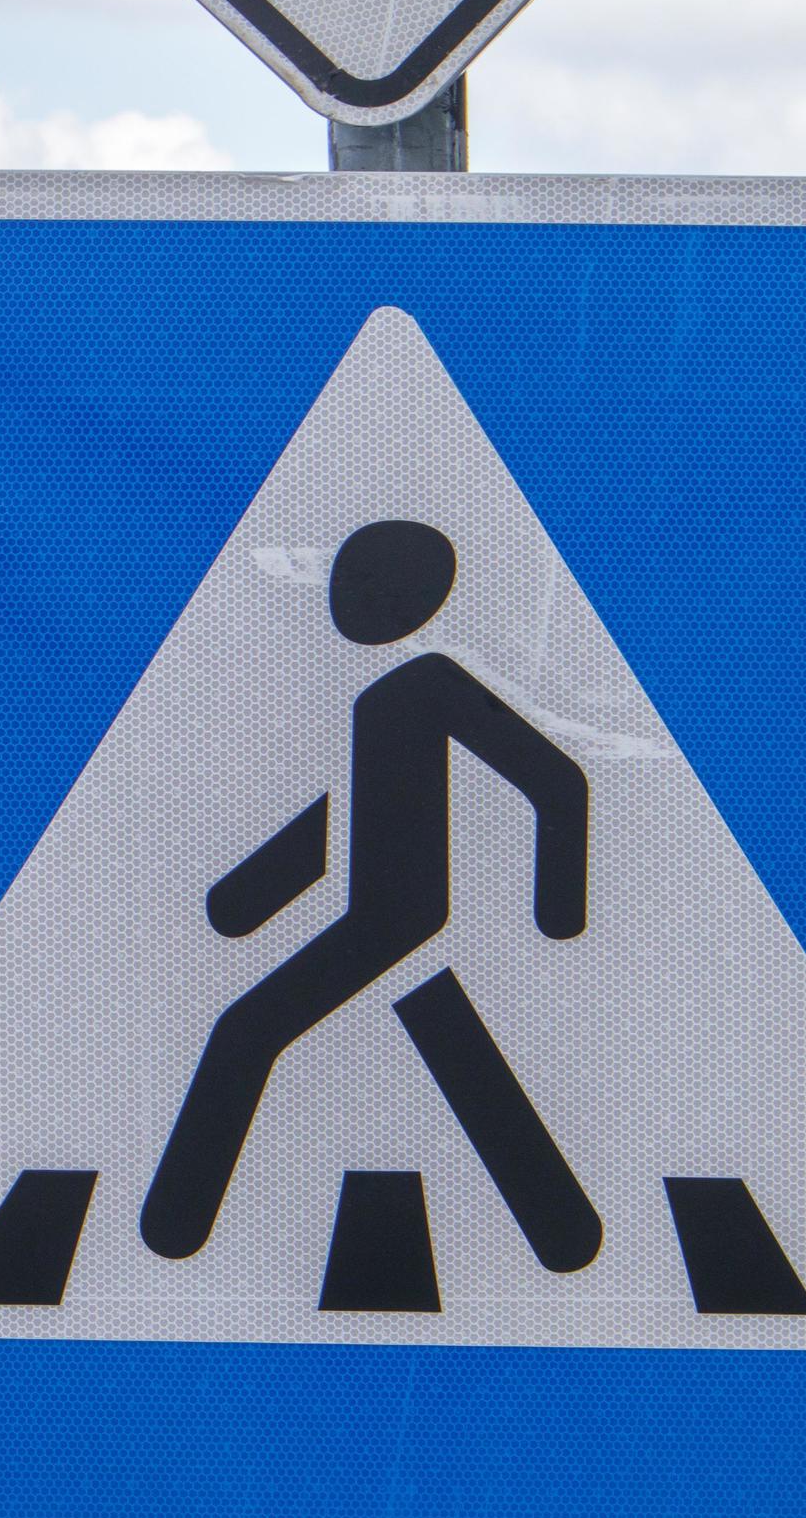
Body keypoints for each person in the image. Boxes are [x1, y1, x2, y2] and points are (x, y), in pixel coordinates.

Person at [140, 518, 602, 1273]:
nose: (338, 604)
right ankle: (565, 1234)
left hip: (400, 918)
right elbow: (345, 821)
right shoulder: (380, 699)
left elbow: (556, 783)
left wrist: (559, 911)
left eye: (358, 586)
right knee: (456, 1049)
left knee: (246, 1032)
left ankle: (172, 1229)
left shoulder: (432, 686)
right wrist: (245, 898)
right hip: (388, 917)